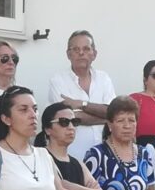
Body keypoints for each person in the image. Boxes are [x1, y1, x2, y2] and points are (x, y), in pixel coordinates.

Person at [48, 31, 117, 159]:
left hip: (105, 156)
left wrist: (81, 104)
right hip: (73, 156)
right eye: (76, 49)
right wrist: (106, 118)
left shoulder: (104, 78)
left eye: (86, 49)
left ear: (94, 54)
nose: (81, 53)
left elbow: (112, 111)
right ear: (68, 54)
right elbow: (70, 118)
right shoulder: (58, 81)